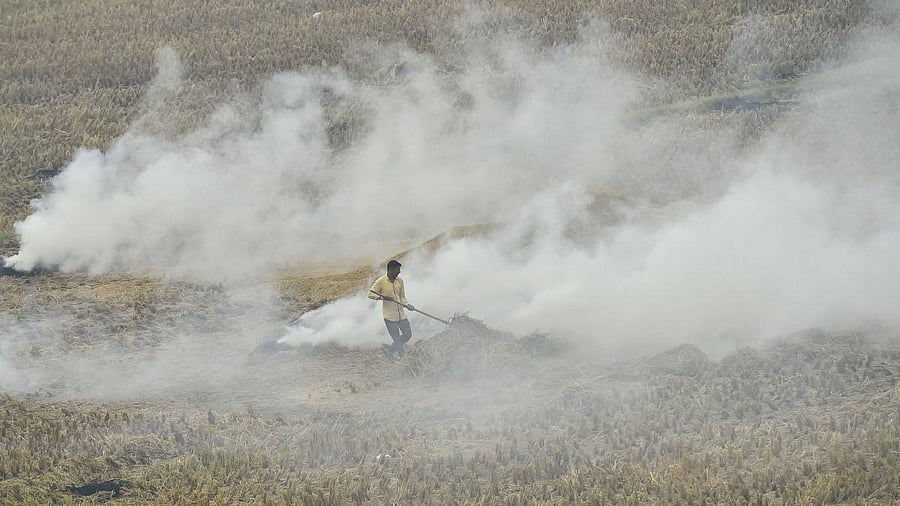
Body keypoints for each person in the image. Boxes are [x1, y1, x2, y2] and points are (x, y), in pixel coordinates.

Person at [368, 259, 415, 359]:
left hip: (401, 315)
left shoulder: (400, 281)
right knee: (397, 339)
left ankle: (389, 350)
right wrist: (382, 298)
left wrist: (407, 304)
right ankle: (398, 356)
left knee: (408, 335)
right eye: (397, 270)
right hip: (389, 317)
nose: (399, 272)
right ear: (391, 270)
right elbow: (370, 294)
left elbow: (402, 297)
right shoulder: (381, 281)